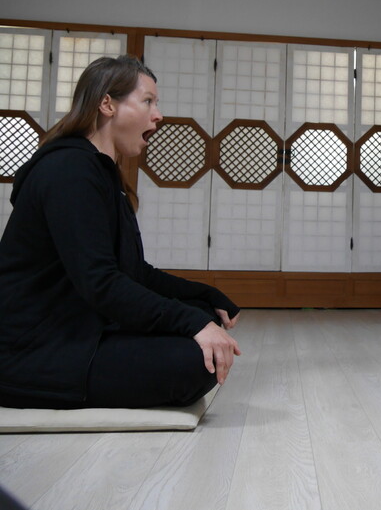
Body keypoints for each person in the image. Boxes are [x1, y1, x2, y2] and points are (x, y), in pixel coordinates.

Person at [0, 55, 241, 409]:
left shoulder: (99, 171)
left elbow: (132, 271)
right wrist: (191, 322)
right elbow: (101, 283)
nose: (158, 114)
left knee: (202, 314)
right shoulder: (69, 171)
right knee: (194, 361)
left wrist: (205, 294)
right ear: (107, 104)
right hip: (35, 347)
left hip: (77, 324)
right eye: (148, 101)